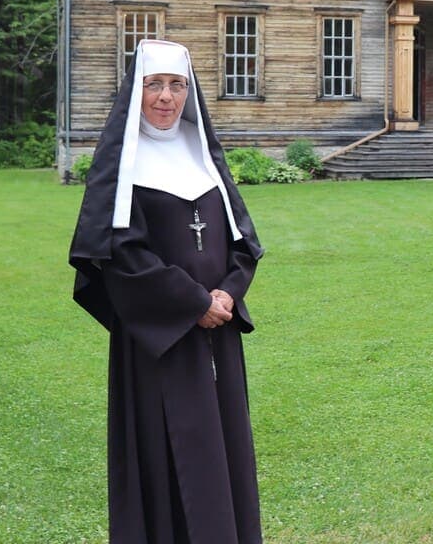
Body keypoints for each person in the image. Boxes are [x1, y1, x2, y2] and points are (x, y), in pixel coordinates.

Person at [69, 39, 263, 544]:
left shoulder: (203, 158)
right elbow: (122, 255)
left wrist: (226, 294)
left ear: (189, 92)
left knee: (222, 446)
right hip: (158, 340)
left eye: (177, 85)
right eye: (155, 84)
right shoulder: (124, 168)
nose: (166, 98)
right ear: (137, 91)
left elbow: (243, 243)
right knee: (167, 450)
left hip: (217, 335)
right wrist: (194, 303)